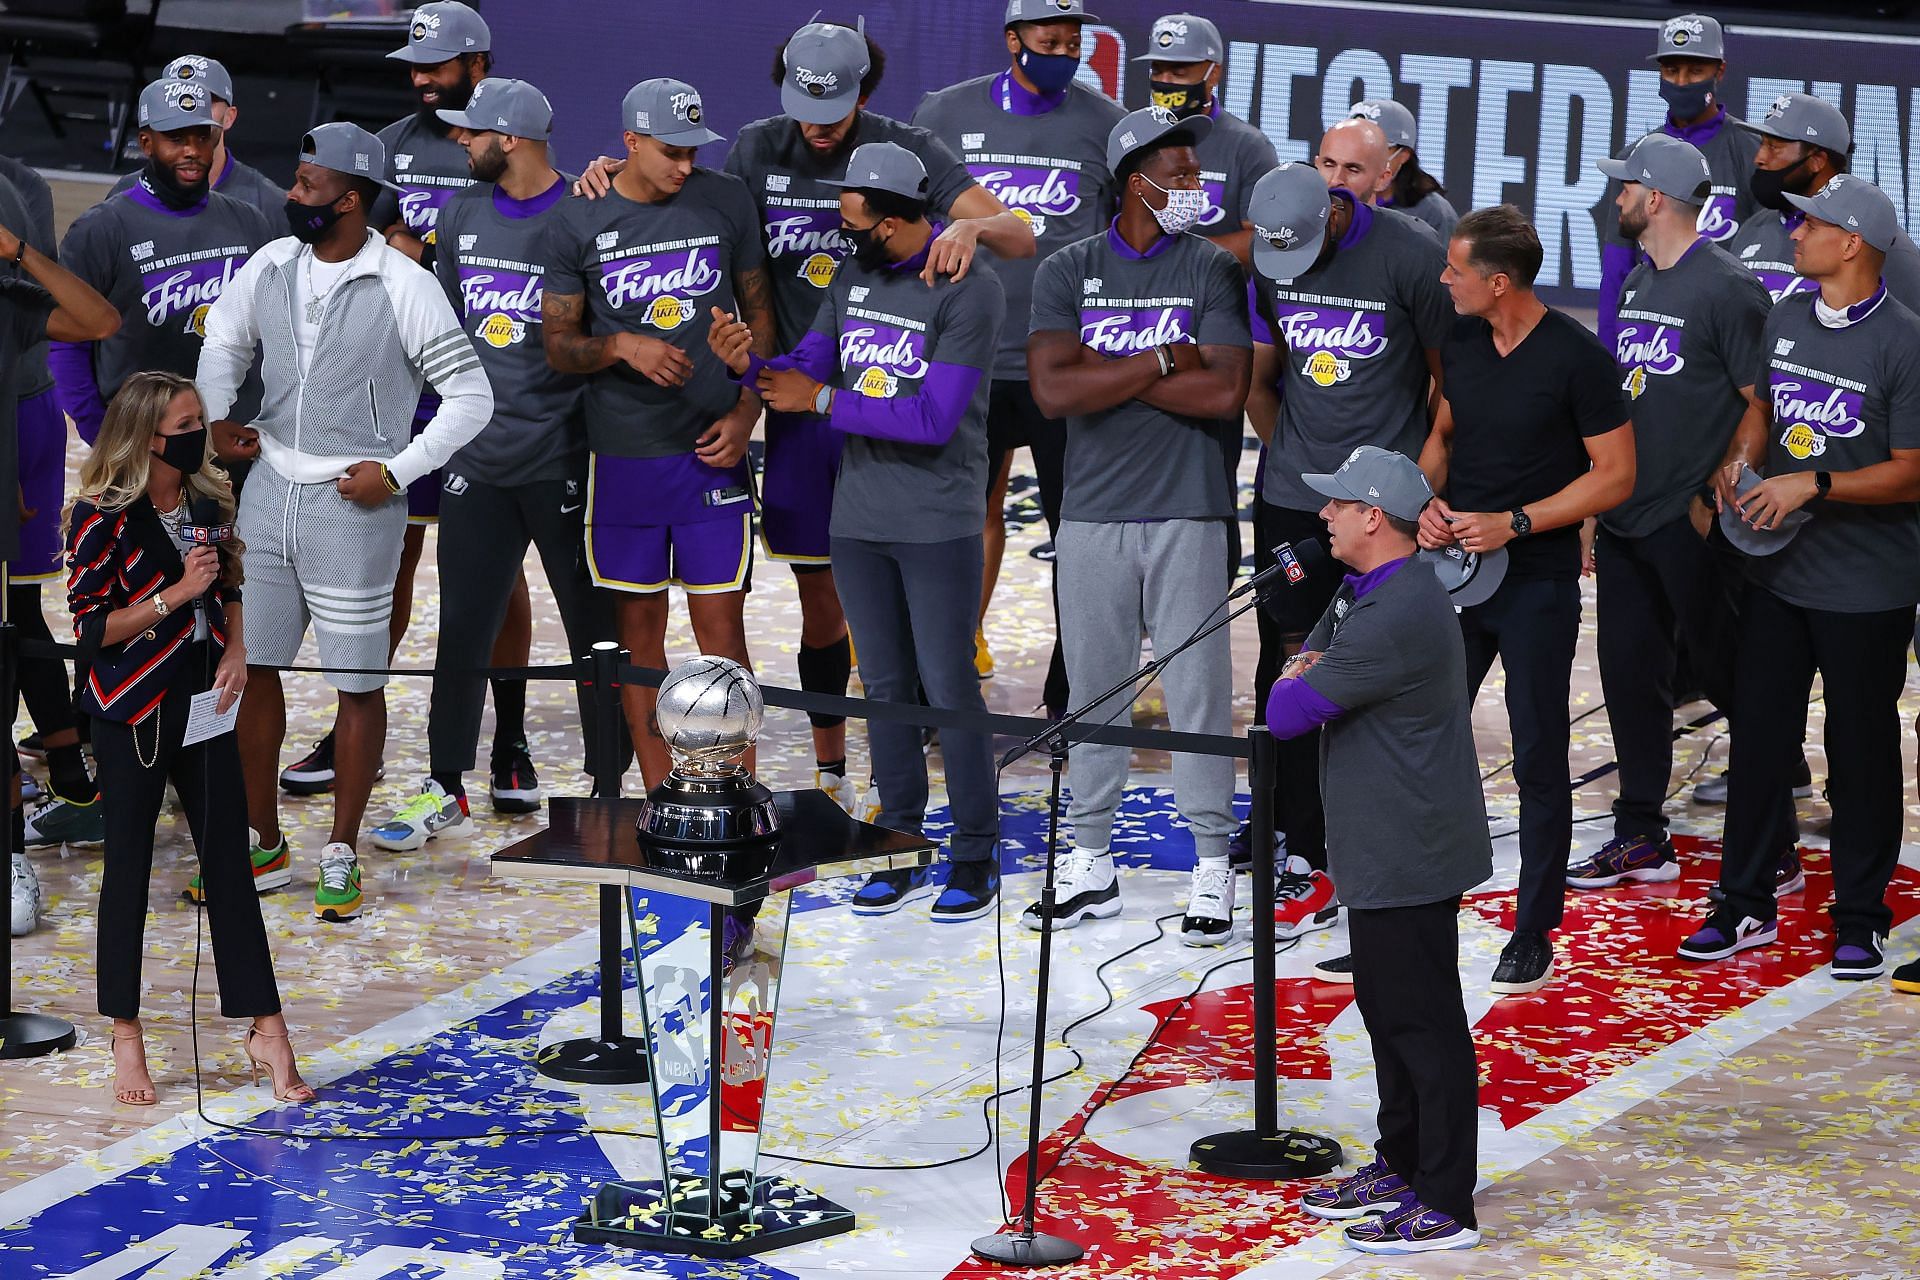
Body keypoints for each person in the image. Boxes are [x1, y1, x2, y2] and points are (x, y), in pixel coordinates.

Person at [195, 122, 494, 923]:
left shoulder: (405, 283)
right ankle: (262, 843)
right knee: (250, 669)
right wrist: (218, 420)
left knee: (356, 683)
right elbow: (223, 339)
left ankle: (339, 850)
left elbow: (472, 398)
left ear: (351, 199)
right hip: (268, 493)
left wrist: (397, 469)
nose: (292, 196)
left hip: (354, 505)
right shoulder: (272, 264)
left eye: (307, 186)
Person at [724, 17, 1027, 796]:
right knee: (825, 596)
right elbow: (704, 224)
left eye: (833, 110)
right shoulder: (761, 150)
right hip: (803, 391)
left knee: (931, 651)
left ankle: (949, 796)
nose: (816, 126)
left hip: (872, 405)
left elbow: (1020, 233)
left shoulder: (907, 149)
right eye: (803, 107)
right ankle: (836, 769)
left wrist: (970, 222)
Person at [709, 142, 1007, 920]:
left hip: (938, 519)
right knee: (881, 687)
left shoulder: (968, 291)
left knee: (947, 691)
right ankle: (901, 837)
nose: (843, 238)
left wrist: (824, 402)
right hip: (859, 517)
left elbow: (936, 418)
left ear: (896, 219)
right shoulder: (853, 277)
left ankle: (976, 853)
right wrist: (746, 366)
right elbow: (798, 371)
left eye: (854, 224)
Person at [278, 0, 533, 803]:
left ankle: (512, 740)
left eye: (437, 65)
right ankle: (359, 728)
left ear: (479, 65)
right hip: (394, 393)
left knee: (493, 575)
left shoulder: (506, 146)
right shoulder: (386, 147)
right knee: (385, 563)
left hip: (482, 386)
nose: (422, 79)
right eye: (414, 67)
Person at [1680, 175, 1920, 983]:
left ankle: (1860, 915)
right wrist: (1741, 460)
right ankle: (1743, 899)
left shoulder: (1906, 342)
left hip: (1870, 589)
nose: (1794, 234)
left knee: (1859, 752)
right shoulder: (1785, 314)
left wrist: (1808, 484)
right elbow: (1766, 412)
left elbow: (1911, 474)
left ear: (1851, 242)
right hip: (1780, 577)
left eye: (1810, 224)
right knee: (1760, 742)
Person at [372, 77, 618, 851]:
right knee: (461, 631)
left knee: (593, 637)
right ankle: (445, 786)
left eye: (469, 134)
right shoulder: (461, 213)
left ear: (507, 138)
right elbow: (442, 334)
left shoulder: (585, 213)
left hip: (562, 458)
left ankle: (606, 791)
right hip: (475, 459)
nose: (458, 144)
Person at [1025, 106, 1251, 943]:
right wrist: (1161, 357)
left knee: (1197, 696)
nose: (1199, 186)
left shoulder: (1214, 272)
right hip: (1090, 513)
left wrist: (1104, 370)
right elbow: (1052, 394)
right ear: (1136, 181)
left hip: (1190, 507)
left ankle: (1210, 864)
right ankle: (1090, 860)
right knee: (1094, 692)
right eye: (1184, 174)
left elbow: (1224, 393)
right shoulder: (1066, 270)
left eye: (1197, 172)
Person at [64, 371, 314, 1109]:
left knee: (230, 868)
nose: (198, 431)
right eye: (185, 421)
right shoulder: (100, 516)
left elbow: (230, 580)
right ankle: (127, 1034)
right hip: (133, 708)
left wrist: (237, 647)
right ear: (148, 436)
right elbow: (91, 630)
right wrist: (174, 595)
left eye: (199, 418)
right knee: (129, 875)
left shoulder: (206, 498)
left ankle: (267, 1028)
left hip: (205, 696)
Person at [42, 79, 274, 859]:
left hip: (215, 464)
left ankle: (204, 779)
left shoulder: (246, 219)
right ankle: (124, 778)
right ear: (146, 141)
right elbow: (69, 342)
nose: (191, 149)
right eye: (176, 137)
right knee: (135, 614)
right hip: (140, 468)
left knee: (215, 607)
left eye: (202, 136)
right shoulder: (107, 226)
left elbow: (267, 333)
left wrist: (256, 419)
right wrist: (98, 430)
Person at [1274, 446, 1488, 1256]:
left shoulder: (1397, 611)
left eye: (1336, 504)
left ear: (1372, 516)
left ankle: (1445, 1200)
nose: (1322, 515)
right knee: (1389, 1014)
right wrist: (1307, 666)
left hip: (1409, 848)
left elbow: (1289, 708)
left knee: (1423, 1024)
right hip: (1386, 843)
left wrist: (1305, 670)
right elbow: (1299, 679)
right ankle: (1402, 1163)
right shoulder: (1371, 590)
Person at [1420, 205, 1634, 995]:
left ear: (1498, 282)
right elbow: (1444, 436)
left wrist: (1516, 523)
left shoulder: (1578, 360)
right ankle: (1417, 908)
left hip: (1536, 581)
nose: (1444, 280)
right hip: (1455, 576)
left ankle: (1533, 927)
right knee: (1429, 736)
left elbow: (1615, 475)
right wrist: (1422, 505)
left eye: (1455, 270)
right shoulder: (1467, 342)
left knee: (1538, 754)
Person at [541, 79, 774, 789]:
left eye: (693, 151)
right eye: (670, 152)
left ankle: (733, 801)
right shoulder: (576, 220)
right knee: (640, 640)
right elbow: (559, 345)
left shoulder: (726, 197)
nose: (683, 166)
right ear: (631, 143)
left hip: (711, 453)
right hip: (624, 459)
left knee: (723, 642)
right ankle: (660, 798)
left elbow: (761, 318)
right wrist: (622, 348)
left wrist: (746, 412)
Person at [1243, 161, 1450, 953]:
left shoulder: (1408, 254)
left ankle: (1349, 839)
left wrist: (1408, 493)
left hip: (1380, 511)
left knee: (1362, 663)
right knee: (1286, 657)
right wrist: (1291, 461)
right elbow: (1264, 379)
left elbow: (1447, 387)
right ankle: (1288, 831)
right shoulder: (1268, 252)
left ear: (1337, 211)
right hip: (1297, 494)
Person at [1566, 135, 1773, 893]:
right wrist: (1597, 498)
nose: (1614, 198)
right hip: (1626, 517)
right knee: (1630, 678)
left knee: (1731, 680)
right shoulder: (1642, 285)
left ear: (1654, 198)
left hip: (1689, 527)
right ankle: (1641, 834)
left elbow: (1764, 402)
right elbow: (1632, 405)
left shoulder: (1727, 288)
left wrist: (1707, 497)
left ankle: (1770, 840)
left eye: (1624, 187)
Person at [913, 0, 1116, 706]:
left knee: (1079, 534)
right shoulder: (942, 113)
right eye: (1048, 39)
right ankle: (943, 674)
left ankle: (1075, 692)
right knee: (957, 522)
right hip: (968, 357)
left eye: (1072, 40)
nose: (1063, 50)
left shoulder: (1105, 123)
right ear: (1013, 40)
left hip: (1064, 364)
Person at [0, 212, 118, 939]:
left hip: (18, 448)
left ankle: (13, 853)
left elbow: (96, 319)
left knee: (13, 625)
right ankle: (68, 764)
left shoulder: (10, 295)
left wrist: (16, 250)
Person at [1597, 13, 1758, 350]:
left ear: (1720, 71)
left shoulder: (1750, 153)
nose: (1682, 81)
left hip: (1721, 329)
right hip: (1651, 325)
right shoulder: (1632, 159)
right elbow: (1616, 268)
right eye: (1671, 70)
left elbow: (1767, 265)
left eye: (1695, 70)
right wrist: (1607, 354)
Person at [1726, 93, 1920, 313]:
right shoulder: (1754, 227)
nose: (1759, 157)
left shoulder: (1877, 241)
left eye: (1774, 147)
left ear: (1817, 161)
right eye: (1762, 144)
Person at [1136, 12, 1279, 268]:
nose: (1165, 82)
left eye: (1178, 72)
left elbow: (1263, 239)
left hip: (1214, 299)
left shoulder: (1248, 146)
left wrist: (1180, 259)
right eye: (1157, 71)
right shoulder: (1135, 135)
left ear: (1214, 74)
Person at [108, 55, 284, 217]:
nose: (189, 112)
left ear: (229, 117)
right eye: (176, 101)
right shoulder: (127, 192)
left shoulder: (267, 203)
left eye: (204, 101)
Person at [1349, 99, 1457, 237]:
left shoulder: (1434, 213)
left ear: (1403, 155)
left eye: (1376, 148)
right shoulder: (1331, 197)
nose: (1361, 157)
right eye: (1355, 146)